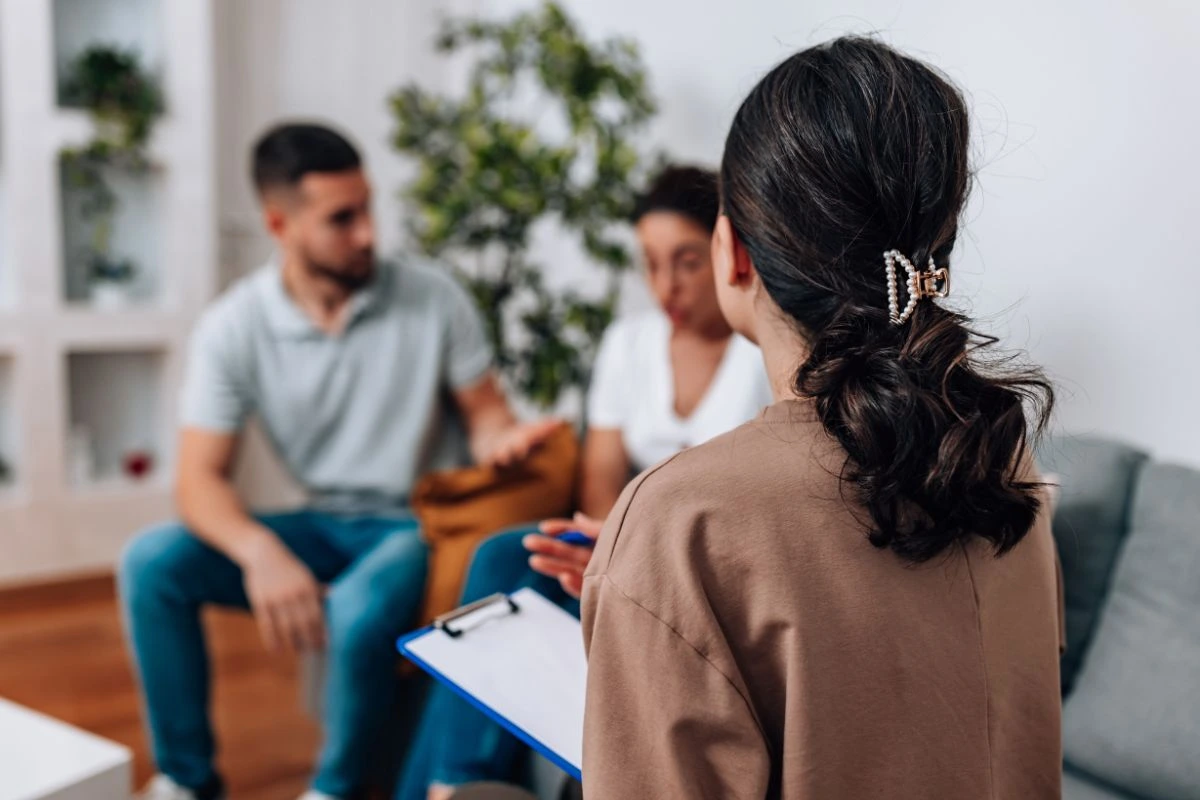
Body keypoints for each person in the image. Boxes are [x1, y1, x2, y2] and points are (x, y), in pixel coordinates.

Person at [543, 38, 1063, 798]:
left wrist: (655, 576)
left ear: (735, 253)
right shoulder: (997, 459)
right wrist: (656, 590)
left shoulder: (681, 523)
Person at [119, 123, 559, 800]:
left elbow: (485, 416)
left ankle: (334, 790)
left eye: (367, 209)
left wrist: (504, 440)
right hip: (322, 520)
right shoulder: (233, 328)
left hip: (412, 524)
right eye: (341, 218)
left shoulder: (432, 297)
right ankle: (186, 778)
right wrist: (259, 551)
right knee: (152, 564)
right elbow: (197, 479)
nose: (367, 235)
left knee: (357, 606)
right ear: (279, 223)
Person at [398, 166, 773, 800]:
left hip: (699, 561)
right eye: (649, 264)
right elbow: (600, 484)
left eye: (684, 261)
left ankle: (448, 785)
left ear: (724, 250)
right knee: (501, 554)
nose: (666, 285)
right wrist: (611, 550)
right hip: (624, 537)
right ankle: (454, 782)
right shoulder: (630, 345)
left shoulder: (761, 353)